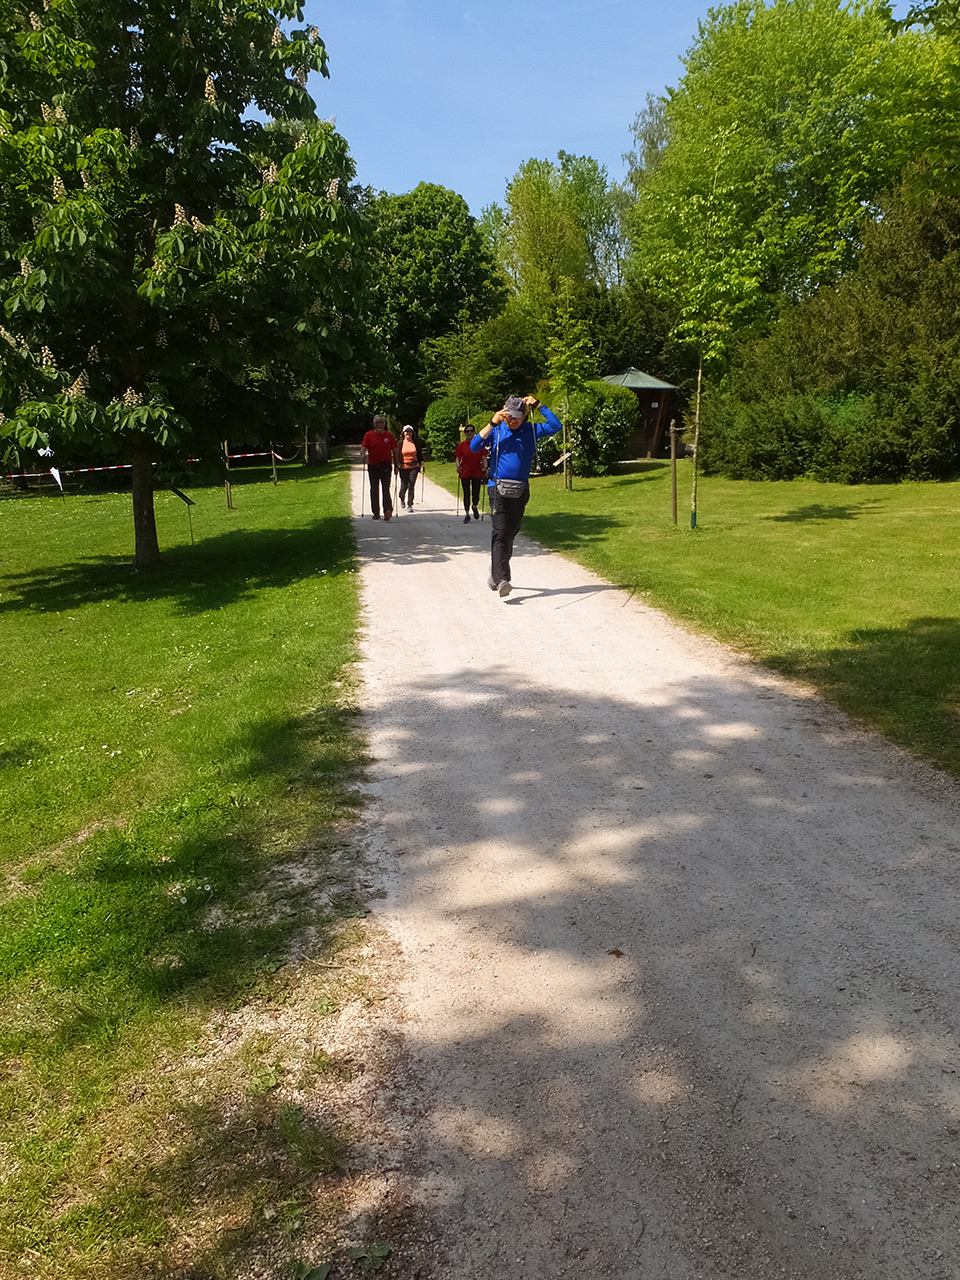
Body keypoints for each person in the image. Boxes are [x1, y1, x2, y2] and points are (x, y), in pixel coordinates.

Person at [471, 394, 562, 596]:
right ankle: (502, 580)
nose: (513, 420)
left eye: (517, 417)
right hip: (497, 488)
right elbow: (474, 445)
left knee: (510, 533)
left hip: (520, 489)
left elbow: (556, 426)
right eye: (509, 416)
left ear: (523, 417)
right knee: (500, 532)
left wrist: (538, 405)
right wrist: (492, 422)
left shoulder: (530, 430)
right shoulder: (497, 430)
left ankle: (496, 571)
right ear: (504, 414)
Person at [360, 414, 396, 521]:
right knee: (374, 489)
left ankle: (387, 510)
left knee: (386, 488)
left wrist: (397, 464)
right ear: (374, 424)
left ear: (384, 424)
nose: (379, 424)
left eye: (381, 422)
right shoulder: (369, 435)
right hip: (373, 465)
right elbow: (363, 447)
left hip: (385, 465)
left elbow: (395, 450)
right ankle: (376, 512)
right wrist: (363, 454)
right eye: (377, 422)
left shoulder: (389, 435)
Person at [455, 424, 486, 523]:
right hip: (465, 471)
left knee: (476, 492)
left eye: (471, 431)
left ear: (474, 432)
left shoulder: (479, 444)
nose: (469, 433)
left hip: (476, 471)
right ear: (465, 433)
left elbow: (483, 457)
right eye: (467, 431)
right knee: (466, 493)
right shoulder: (461, 445)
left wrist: (485, 467)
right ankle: (467, 514)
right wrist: (458, 466)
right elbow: (457, 457)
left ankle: (474, 506)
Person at [395, 425, 424, 510]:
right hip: (403, 467)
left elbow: (420, 455)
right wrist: (396, 465)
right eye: (406, 432)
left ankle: (410, 504)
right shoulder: (400, 443)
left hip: (414, 466)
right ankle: (402, 497)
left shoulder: (415, 443)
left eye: (410, 432)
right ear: (403, 433)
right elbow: (397, 455)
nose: (408, 433)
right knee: (404, 486)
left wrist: (422, 465)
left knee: (411, 485)